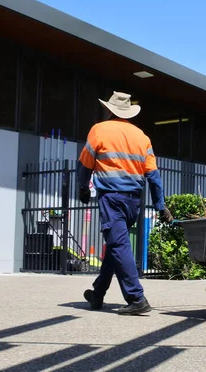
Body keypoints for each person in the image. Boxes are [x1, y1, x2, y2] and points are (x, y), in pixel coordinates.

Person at [76, 91, 173, 315]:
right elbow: (154, 177)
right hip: (133, 202)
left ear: (110, 110)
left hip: (111, 198)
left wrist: (82, 188)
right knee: (115, 245)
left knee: (119, 245)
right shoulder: (142, 137)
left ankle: (136, 297)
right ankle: (97, 294)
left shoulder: (99, 130)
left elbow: (84, 164)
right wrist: (160, 205)